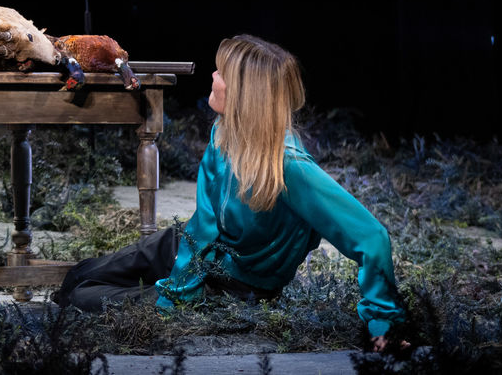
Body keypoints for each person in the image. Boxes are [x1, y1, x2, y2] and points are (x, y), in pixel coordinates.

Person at [55, 35, 409, 353]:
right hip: (189, 246)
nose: (213, 76)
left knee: (83, 297)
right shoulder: (223, 133)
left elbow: (371, 237)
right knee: (78, 277)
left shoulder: (289, 166)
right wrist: (180, 281)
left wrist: (383, 323)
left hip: (232, 285)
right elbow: (203, 225)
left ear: (243, 93)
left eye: (221, 73)